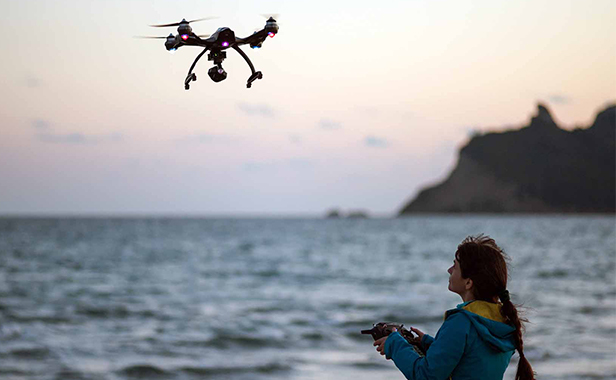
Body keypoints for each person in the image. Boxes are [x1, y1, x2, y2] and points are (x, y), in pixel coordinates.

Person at [373, 235, 535, 380]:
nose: (449, 270)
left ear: (468, 282)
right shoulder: (503, 321)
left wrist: (394, 344)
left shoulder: (461, 322)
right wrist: (429, 344)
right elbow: (473, 360)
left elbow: (426, 375)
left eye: (455, 266)